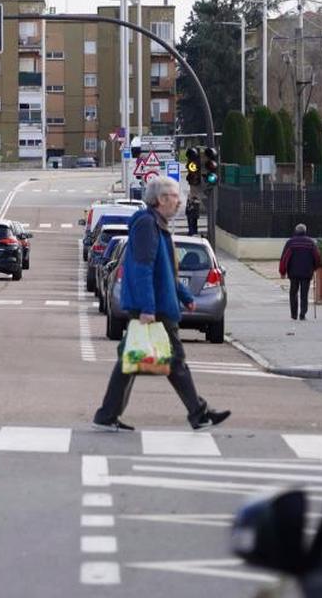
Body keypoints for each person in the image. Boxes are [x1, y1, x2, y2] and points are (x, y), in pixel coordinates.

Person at [92, 176, 231, 431]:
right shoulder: (147, 225)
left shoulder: (157, 224)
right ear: (161, 200)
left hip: (159, 303)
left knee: (131, 360)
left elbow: (165, 270)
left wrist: (185, 296)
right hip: (154, 307)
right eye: (175, 197)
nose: (179, 202)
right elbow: (143, 268)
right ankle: (198, 413)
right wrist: (147, 308)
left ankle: (106, 414)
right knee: (174, 360)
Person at [279, 223, 322, 320]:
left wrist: (282, 272)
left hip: (293, 272)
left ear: (295, 231)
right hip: (307, 272)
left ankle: (294, 315)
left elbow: (284, 258)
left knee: (293, 293)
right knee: (304, 293)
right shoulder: (310, 243)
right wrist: (315, 267)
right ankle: (302, 314)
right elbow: (317, 257)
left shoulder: (290, 242)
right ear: (305, 231)